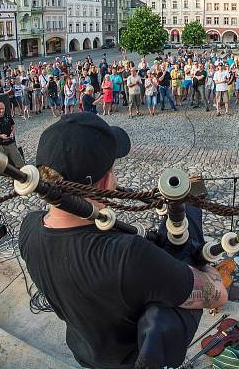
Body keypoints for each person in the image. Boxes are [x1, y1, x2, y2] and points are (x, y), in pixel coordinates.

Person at [18, 113, 227, 368]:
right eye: (112, 171)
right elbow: (217, 296)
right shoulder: (127, 256)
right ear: (106, 183)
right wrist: (206, 268)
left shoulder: (28, 229)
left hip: (84, 352)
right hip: (132, 360)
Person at [0, 102, 24, 169]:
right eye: (0, 109)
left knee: (19, 162)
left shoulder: (7, 116)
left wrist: (12, 132)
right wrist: (0, 136)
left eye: (3, 108)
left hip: (11, 143)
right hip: (0, 145)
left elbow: (13, 126)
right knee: (4, 165)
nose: (2, 110)